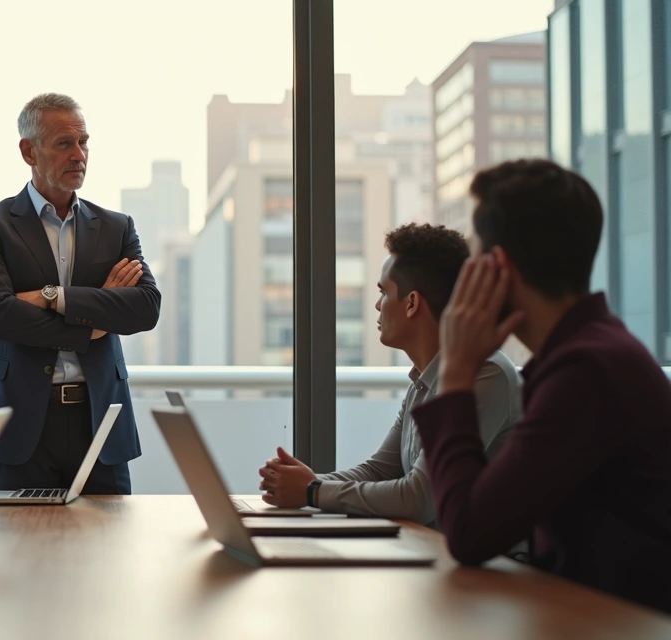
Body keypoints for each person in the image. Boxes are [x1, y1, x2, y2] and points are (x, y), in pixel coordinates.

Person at [410, 159, 671, 613]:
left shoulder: (587, 372)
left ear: (499, 266)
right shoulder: (590, 353)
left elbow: (469, 532)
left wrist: (455, 371)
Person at [0, 93, 161, 494]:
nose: (79, 155)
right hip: (17, 421)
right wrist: (91, 324)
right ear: (28, 151)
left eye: (84, 142)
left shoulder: (116, 227)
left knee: (107, 549)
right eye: (64, 144)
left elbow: (145, 308)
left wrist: (54, 295)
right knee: (17, 551)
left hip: (100, 418)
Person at [257, 224, 521, 525]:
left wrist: (312, 491)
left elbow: (419, 498)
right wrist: (301, 482)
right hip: (435, 552)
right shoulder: (423, 381)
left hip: (492, 569)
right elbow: (379, 471)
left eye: (384, 292)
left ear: (411, 304)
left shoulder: (486, 376)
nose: (377, 305)